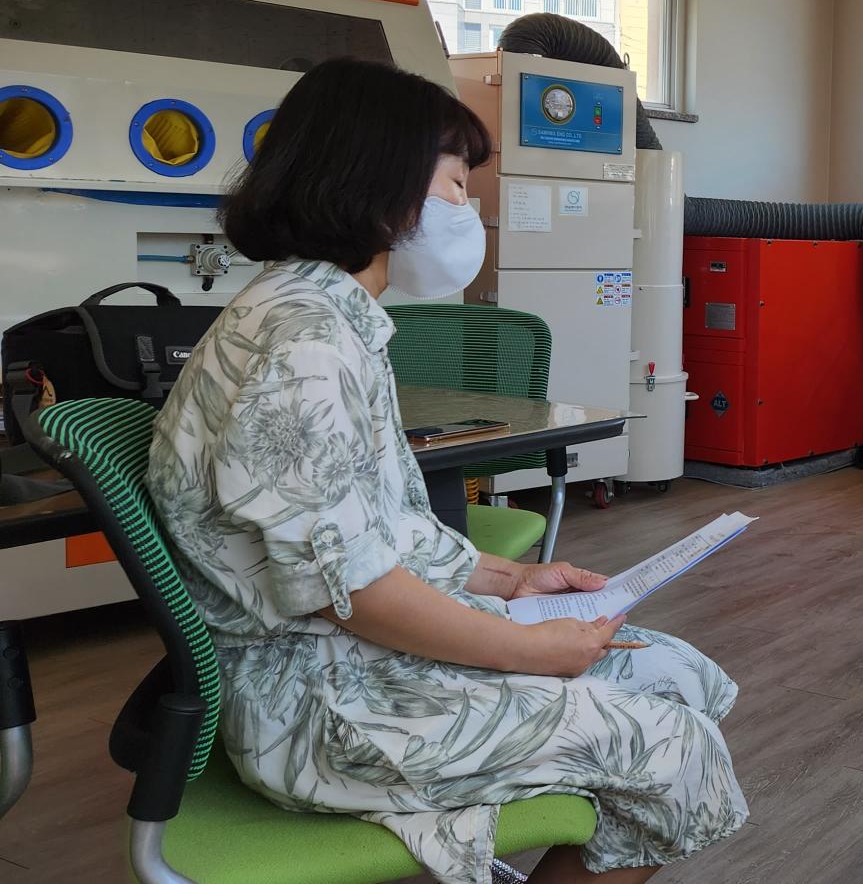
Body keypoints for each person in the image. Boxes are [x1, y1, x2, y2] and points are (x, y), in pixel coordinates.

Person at [145, 58, 747, 884]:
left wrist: (511, 580)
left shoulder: (323, 315)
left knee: (681, 676)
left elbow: (374, 533)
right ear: (382, 184)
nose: (470, 208)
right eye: (458, 184)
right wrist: (526, 651)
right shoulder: (305, 345)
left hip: (350, 662)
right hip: (325, 707)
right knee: (674, 752)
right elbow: (351, 593)